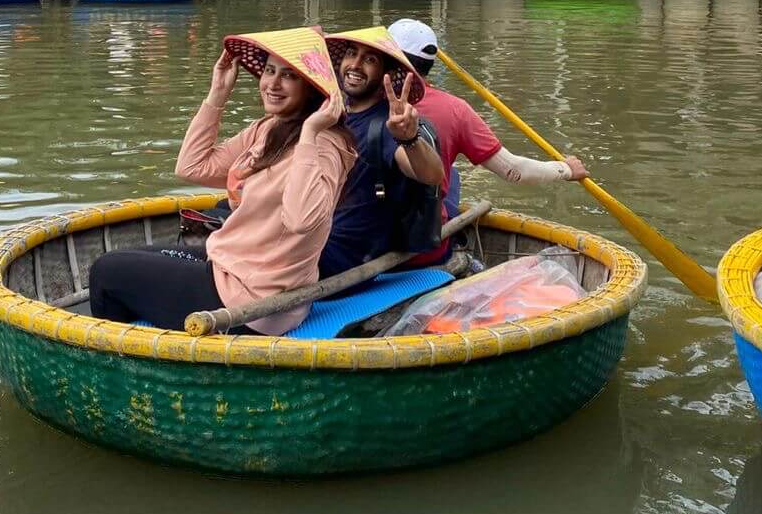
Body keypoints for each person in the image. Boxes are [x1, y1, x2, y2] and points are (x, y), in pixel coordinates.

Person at [89, 28, 353, 334]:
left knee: (105, 273)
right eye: (269, 71)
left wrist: (310, 132)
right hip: (234, 268)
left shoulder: (325, 146)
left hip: (257, 303)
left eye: (290, 76)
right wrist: (217, 96)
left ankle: (122, 365)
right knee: (125, 257)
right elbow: (193, 167)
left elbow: (302, 220)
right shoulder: (270, 129)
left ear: (312, 86)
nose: (273, 84)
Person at [386, 18, 587, 210]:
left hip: (378, 222)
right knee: (452, 176)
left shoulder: (360, 100)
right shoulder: (455, 109)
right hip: (425, 231)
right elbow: (513, 171)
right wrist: (566, 169)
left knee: (451, 176)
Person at [318, 26, 446, 278]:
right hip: (318, 235)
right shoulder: (335, 114)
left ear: (386, 73)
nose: (355, 65)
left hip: (346, 255)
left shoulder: (386, 125)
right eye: (351, 54)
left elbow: (431, 174)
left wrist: (409, 140)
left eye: (370, 60)